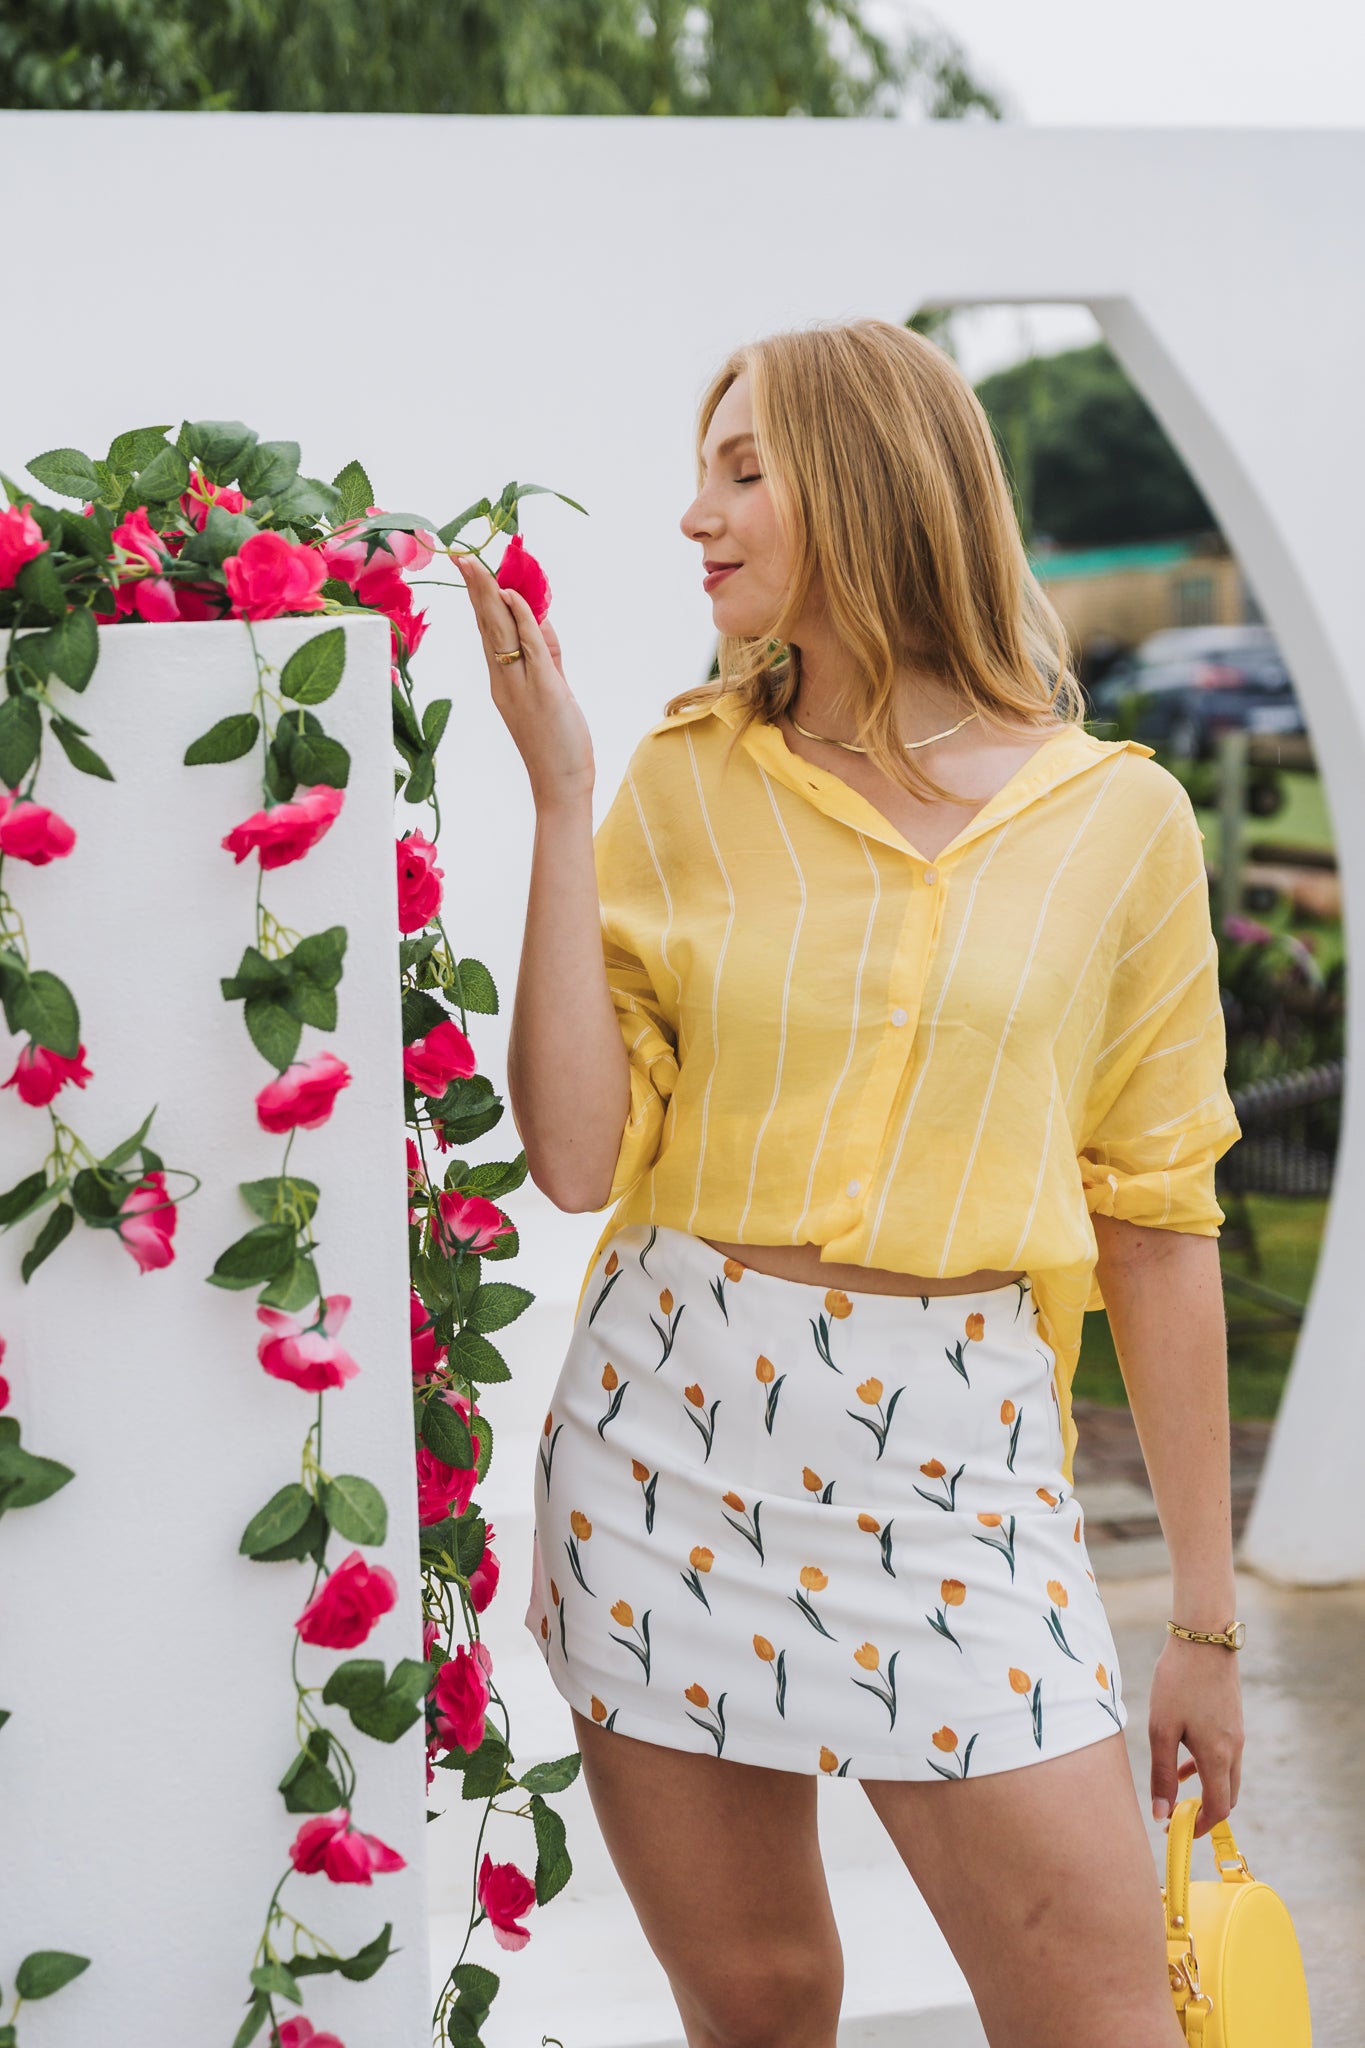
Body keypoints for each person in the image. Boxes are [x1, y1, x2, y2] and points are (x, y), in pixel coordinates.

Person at [456, 318, 1246, 2048]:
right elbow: (575, 1156)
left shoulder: (1118, 824)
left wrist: (1203, 1623)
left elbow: (1157, 1218)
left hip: (959, 1469)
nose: (697, 515)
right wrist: (561, 794)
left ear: (874, 483)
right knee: (759, 2002)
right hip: (664, 1445)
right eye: (702, 473)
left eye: (745, 472)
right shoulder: (677, 781)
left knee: (1100, 2018)